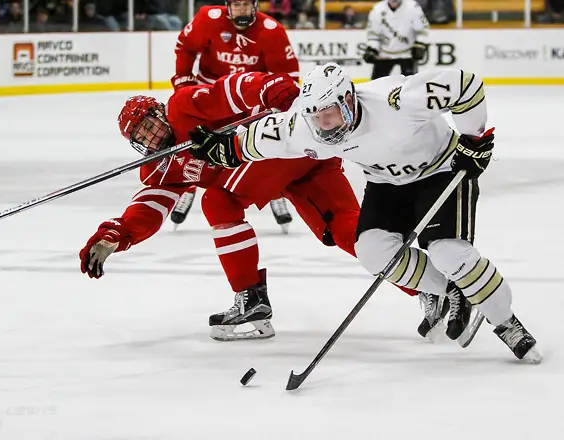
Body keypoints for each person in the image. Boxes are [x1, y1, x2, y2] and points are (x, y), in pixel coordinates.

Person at [187, 63, 542, 362]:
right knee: (372, 251)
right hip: (386, 182)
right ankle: (454, 288)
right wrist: (222, 149)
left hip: (441, 169)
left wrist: (473, 140)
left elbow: (465, 85)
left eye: (331, 112)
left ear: (349, 99)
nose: (325, 123)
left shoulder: (397, 102)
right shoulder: (306, 126)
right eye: (317, 116)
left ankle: (506, 322)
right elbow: (264, 138)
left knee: (447, 251)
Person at [78, 71, 436, 342]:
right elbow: (150, 207)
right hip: (303, 168)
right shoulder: (159, 165)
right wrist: (117, 235)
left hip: (283, 147)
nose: (151, 137)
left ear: (160, 112)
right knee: (347, 232)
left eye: (150, 126)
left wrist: (268, 88)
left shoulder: (184, 105)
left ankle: (250, 297)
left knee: (219, 199)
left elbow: (231, 90)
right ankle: (432, 287)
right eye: (141, 137)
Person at [170, 0, 300, 233]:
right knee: (191, 141)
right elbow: (186, 46)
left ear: (255, 6)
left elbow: (287, 75)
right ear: (228, 7)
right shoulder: (208, 19)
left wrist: (277, 102)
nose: (242, 10)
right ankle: (187, 187)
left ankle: (275, 192)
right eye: (237, 5)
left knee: (263, 144)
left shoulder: (271, 31)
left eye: (246, 5)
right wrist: (184, 81)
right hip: (210, 96)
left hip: (250, 99)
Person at [363, 0, 429, 80]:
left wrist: (419, 45)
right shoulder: (378, 8)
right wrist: (373, 49)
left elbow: (422, 29)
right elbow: (373, 34)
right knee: (376, 85)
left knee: (410, 85)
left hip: (407, 54)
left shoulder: (413, 7)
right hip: (384, 54)